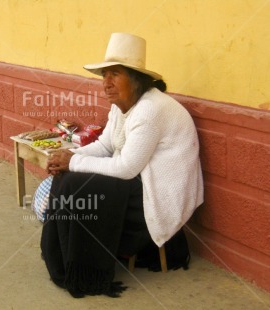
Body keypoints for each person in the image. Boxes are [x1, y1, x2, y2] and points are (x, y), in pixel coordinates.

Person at [40, 32, 203, 298]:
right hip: (141, 181)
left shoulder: (150, 110)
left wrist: (75, 162)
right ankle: (65, 262)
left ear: (136, 79)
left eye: (114, 74)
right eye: (104, 75)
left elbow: (126, 167)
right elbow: (105, 146)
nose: (106, 83)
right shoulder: (121, 106)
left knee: (78, 183)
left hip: (160, 197)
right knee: (67, 177)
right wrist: (67, 156)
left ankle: (88, 271)